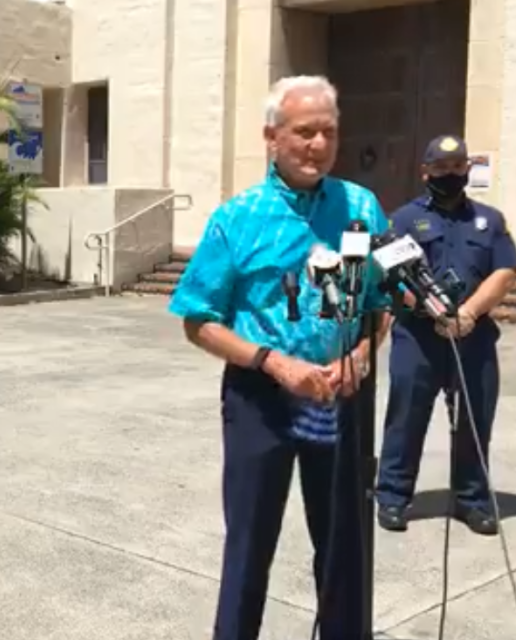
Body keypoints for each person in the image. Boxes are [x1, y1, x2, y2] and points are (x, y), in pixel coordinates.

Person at [168, 75, 391, 640]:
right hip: (261, 400)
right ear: (273, 137)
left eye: (329, 133)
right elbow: (199, 321)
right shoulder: (237, 218)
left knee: (345, 542)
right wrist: (272, 361)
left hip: (339, 397)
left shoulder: (360, 207)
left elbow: (378, 302)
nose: (318, 144)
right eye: (304, 132)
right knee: (250, 542)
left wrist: (362, 353)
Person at [376, 135, 516, 536]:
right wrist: (425, 306)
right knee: (406, 418)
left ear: (467, 169)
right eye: (441, 168)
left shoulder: (489, 220)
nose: (450, 174)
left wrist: (469, 312)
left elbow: (504, 272)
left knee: (474, 421)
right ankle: (393, 497)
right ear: (426, 172)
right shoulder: (403, 220)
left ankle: (471, 499)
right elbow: (390, 278)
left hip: (473, 339)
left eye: (457, 167)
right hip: (418, 339)